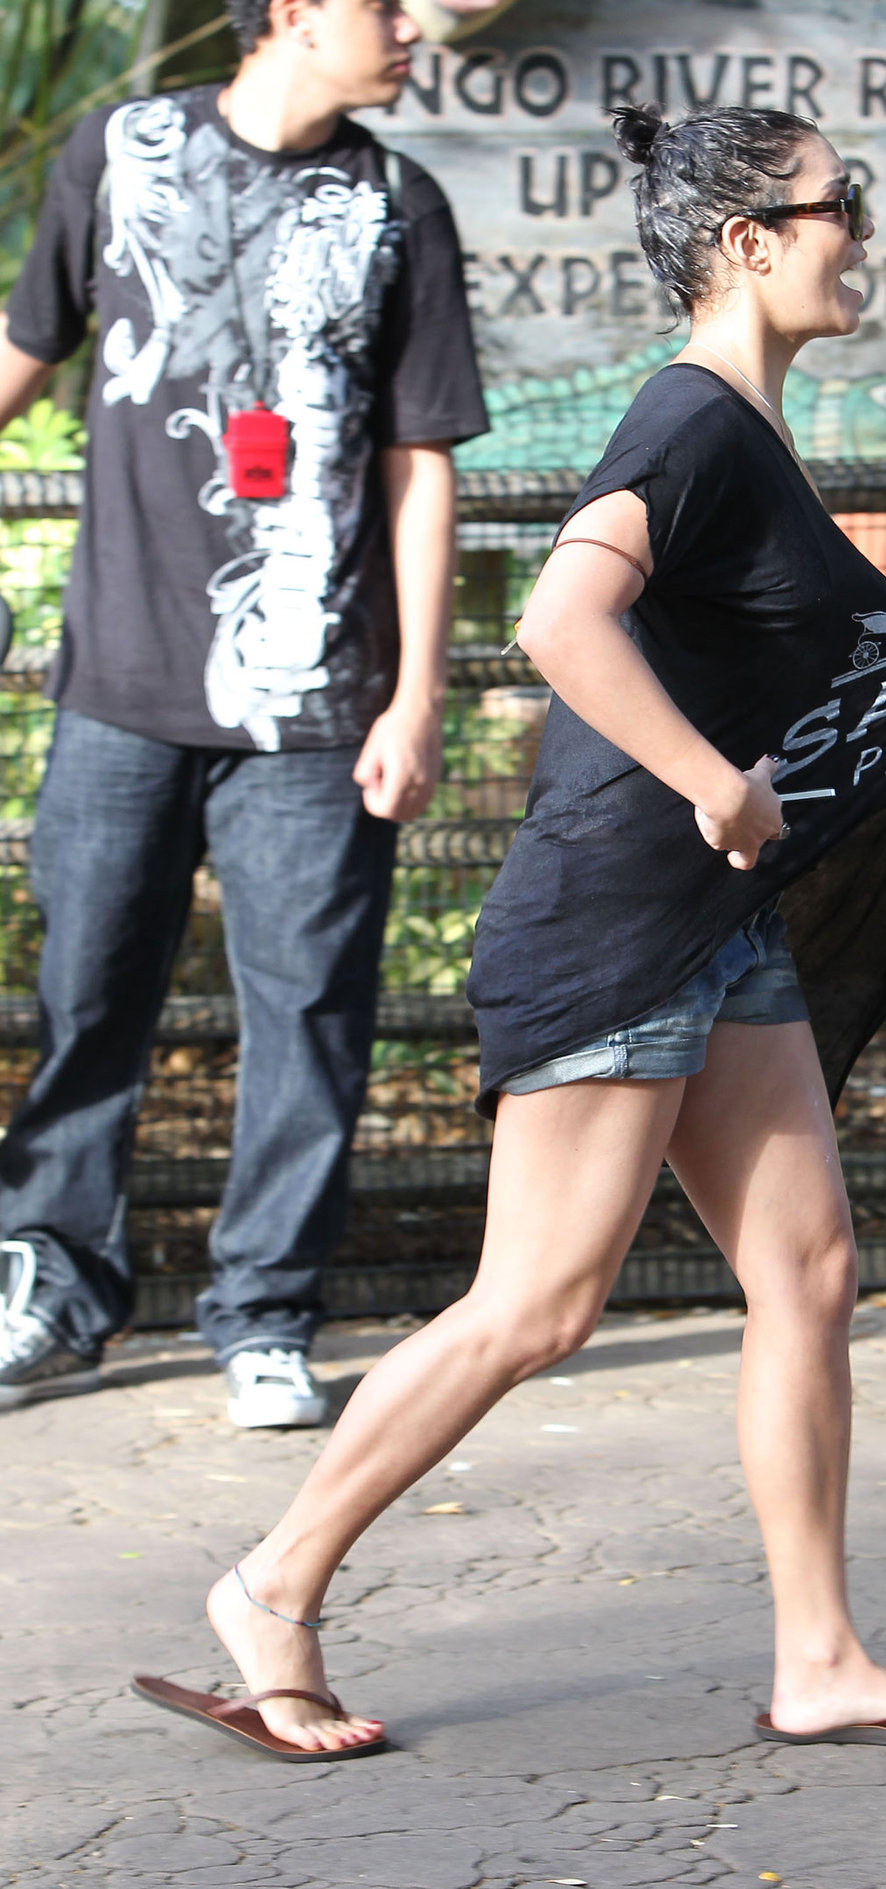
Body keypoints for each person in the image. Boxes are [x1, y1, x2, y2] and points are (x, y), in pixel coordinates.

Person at [134, 100, 886, 1760]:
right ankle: (272, 1581)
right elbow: (563, 616)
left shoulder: (746, 437)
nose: (865, 227)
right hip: (623, 918)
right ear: (748, 243)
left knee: (809, 1271)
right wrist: (712, 783)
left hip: (719, 920)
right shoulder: (689, 421)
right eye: (844, 202)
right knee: (538, 1302)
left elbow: (770, 632)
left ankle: (821, 1655)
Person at [0, 0, 487, 1426]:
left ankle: (265, 1315)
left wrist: (416, 692)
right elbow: (29, 342)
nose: (416, 27)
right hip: (120, 691)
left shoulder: (401, 200)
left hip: (319, 704)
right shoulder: (120, 146)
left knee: (310, 1019)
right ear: (289, 11)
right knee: (86, 999)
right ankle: (52, 1284)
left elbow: (419, 464)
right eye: (385, 5)